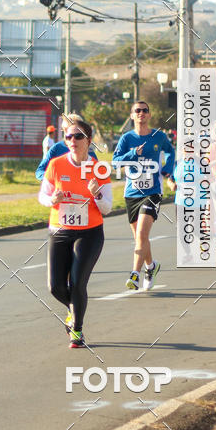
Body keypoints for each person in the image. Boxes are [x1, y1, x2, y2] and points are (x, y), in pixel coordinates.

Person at [38, 119, 112, 348]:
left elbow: (108, 207)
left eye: (78, 136)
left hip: (89, 232)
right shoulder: (57, 164)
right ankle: (73, 310)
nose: (72, 141)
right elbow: (43, 196)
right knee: (56, 286)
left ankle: (77, 329)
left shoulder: (99, 169)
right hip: (60, 230)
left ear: (89, 141)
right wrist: (52, 200)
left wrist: (97, 194)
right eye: (68, 137)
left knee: (78, 282)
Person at [112, 101, 176, 291]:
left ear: (149, 115)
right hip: (132, 193)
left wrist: (167, 170)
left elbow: (170, 152)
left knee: (141, 234)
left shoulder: (158, 136)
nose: (141, 113)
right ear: (132, 116)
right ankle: (151, 266)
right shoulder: (126, 139)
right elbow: (115, 162)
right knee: (140, 238)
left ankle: (134, 275)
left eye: (144, 110)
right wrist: (132, 153)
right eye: (137, 111)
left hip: (152, 191)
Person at [35, 113, 96, 180]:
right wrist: (52, 178)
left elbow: (97, 175)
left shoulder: (89, 151)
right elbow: (40, 171)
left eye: (68, 129)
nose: (66, 133)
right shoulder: (56, 148)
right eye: (63, 130)